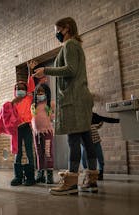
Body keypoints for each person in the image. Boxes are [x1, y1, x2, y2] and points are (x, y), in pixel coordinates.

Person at [34, 17, 98, 196]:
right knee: (86, 138)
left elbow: (70, 70)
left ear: (66, 28)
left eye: (57, 30)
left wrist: (45, 70)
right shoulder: (77, 45)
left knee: (74, 140)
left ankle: (70, 182)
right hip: (80, 97)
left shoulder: (70, 45)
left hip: (74, 99)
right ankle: (91, 180)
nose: (56, 34)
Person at [0, 74, 36, 186]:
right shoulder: (11, 103)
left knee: (29, 151)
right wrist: (12, 103)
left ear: (26, 90)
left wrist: (29, 71)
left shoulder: (29, 98)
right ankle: (18, 177)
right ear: (15, 91)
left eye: (23, 89)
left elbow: (31, 86)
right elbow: (5, 116)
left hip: (26, 127)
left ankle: (30, 177)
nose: (20, 90)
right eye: (18, 89)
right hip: (16, 130)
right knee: (18, 152)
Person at [81, 113, 120, 180]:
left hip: (96, 142)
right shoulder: (82, 126)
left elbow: (98, 125)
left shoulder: (93, 124)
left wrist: (101, 121)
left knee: (100, 157)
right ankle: (87, 172)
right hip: (86, 144)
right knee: (84, 158)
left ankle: (100, 173)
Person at [31, 83, 55, 184]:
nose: (40, 94)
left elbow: (52, 117)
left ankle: (49, 175)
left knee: (48, 153)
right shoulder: (33, 106)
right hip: (37, 134)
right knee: (39, 153)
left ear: (46, 93)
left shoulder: (49, 104)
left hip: (47, 132)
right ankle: (40, 174)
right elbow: (32, 118)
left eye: (42, 92)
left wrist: (51, 112)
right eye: (38, 92)